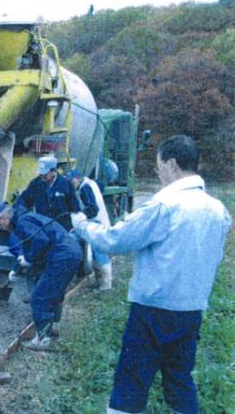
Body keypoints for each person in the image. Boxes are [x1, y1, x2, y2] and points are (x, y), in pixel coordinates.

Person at [71, 135, 231, 414]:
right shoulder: (218, 210)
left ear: (171, 164)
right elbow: (214, 258)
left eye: (158, 167)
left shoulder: (163, 205)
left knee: (132, 381)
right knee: (180, 380)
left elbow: (115, 240)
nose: (158, 174)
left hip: (152, 310)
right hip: (191, 309)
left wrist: (82, 224)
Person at [0, 201, 83, 350]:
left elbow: (41, 241)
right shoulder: (24, 218)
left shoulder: (22, 223)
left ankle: (42, 340)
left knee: (39, 297)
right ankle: (54, 327)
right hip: (72, 252)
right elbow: (29, 247)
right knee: (54, 293)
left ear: (2, 219)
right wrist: (16, 269)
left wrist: (28, 259)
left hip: (62, 255)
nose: (2, 228)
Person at [66, 169, 113, 290]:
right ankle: (100, 281)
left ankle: (106, 284)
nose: (71, 184)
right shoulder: (91, 183)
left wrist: (79, 214)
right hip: (100, 221)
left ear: (78, 178)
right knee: (98, 252)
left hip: (97, 222)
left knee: (99, 253)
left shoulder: (84, 188)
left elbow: (93, 208)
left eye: (72, 181)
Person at [13, 155, 80, 231]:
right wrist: (16, 212)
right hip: (43, 226)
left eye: (45, 173)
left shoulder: (66, 185)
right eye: (40, 173)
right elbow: (24, 199)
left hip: (62, 228)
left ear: (53, 171)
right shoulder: (36, 184)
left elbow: (75, 208)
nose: (42, 176)